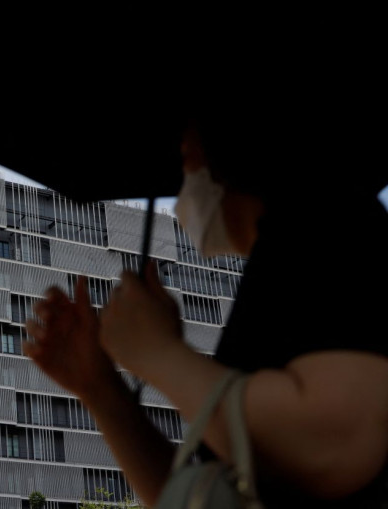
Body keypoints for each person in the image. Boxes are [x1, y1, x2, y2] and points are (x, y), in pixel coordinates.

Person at [23, 113, 388, 507]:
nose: (185, 175)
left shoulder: (336, 224)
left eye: (187, 153)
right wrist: (99, 387)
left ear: (235, 152)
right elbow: (207, 495)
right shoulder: (280, 262)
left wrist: (159, 353)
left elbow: (333, 440)